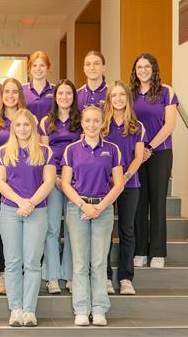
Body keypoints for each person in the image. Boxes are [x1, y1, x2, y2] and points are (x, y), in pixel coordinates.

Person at [61, 105, 125, 326]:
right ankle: (81, 309)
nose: (91, 125)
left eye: (95, 121)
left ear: (102, 123)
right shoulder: (72, 150)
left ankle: (99, 309)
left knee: (98, 262)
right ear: (82, 122)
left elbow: (119, 184)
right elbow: (66, 184)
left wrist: (99, 207)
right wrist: (83, 205)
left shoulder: (113, 149)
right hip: (77, 208)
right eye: (87, 121)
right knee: (80, 262)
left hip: (103, 209)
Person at [0, 109, 56, 327]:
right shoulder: (3, 152)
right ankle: (16, 309)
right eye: (18, 125)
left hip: (37, 210)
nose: (22, 128)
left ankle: (29, 310)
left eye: (26, 125)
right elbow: (0, 182)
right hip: (10, 211)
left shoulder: (45, 152)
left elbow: (48, 182)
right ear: (13, 128)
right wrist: (21, 202)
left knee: (32, 262)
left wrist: (30, 203)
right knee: (12, 262)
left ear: (33, 127)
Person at [130, 53, 178, 269]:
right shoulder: (130, 94)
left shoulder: (166, 91)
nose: (143, 70)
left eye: (147, 66)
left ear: (154, 68)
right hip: (137, 154)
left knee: (157, 201)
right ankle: (140, 250)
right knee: (140, 202)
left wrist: (150, 147)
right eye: (139, 67)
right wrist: (141, 149)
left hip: (160, 152)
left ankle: (157, 251)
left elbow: (169, 125)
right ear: (135, 71)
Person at [38, 79, 82, 295]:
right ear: (55, 97)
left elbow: (82, 152)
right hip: (53, 179)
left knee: (72, 229)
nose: (64, 97)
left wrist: (69, 179)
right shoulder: (47, 122)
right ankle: (52, 276)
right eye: (60, 94)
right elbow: (44, 153)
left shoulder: (81, 120)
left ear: (74, 97)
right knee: (53, 228)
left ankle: (71, 275)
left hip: (76, 181)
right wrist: (54, 178)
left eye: (68, 94)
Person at [102, 81, 145, 295]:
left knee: (127, 230)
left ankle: (126, 278)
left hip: (130, 184)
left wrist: (126, 177)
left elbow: (139, 157)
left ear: (127, 98)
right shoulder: (102, 125)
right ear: (109, 99)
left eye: (122, 95)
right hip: (106, 185)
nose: (118, 99)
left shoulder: (136, 126)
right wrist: (112, 179)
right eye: (114, 95)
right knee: (107, 231)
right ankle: (107, 277)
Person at [0, 78, 27, 295]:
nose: (10, 96)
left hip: (26, 184)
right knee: (3, 231)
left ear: (20, 95)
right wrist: (4, 173)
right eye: (6, 92)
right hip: (2, 182)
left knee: (25, 231)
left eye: (14, 92)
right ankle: (4, 274)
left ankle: (24, 272)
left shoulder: (27, 119)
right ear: (1, 96)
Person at [22, 51, 55, 120]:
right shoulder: (21, 90)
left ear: (48, 67)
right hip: (27, 130)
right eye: (34, 65)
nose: (38, 69)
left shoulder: (56, 90)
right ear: (30, 68)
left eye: (42, 65)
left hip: (50, 130)